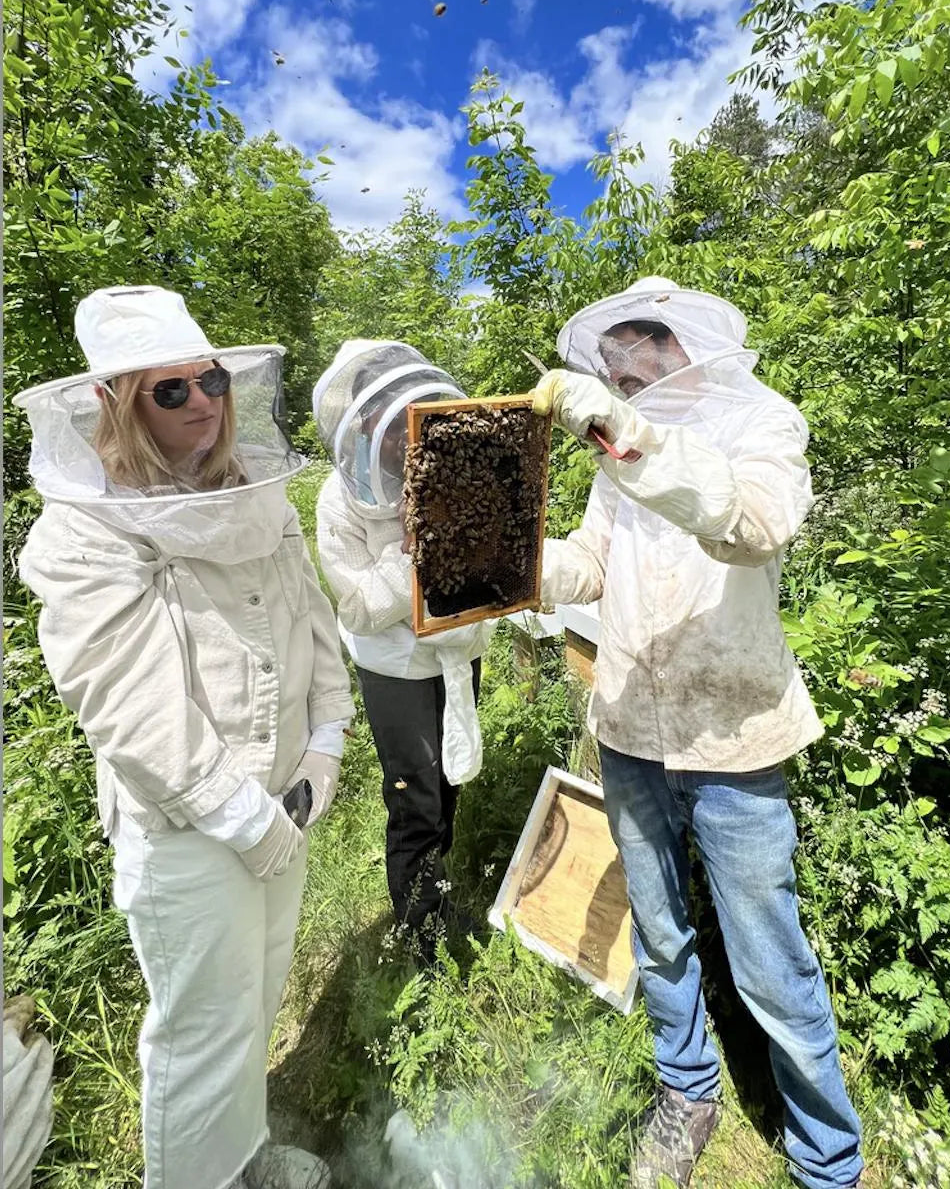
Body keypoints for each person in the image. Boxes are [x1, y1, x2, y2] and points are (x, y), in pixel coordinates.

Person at [16, 285, 354, 1189]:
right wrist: (245, 820)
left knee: (262, 991)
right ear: (115, 401)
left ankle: (240, 1159)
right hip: (189, 833)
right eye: (170, 392)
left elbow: (313, 624)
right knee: (204, 1029)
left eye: (207, 380)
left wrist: (327, 739)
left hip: (289, 795)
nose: (202, 403)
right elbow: (129, 703)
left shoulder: (252, 491)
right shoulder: (79, 533)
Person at [531, 277, 863, 1189]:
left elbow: (754, 526)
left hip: (734, 732)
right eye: (610, 367)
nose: (619, 375)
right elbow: (594, 563)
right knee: (660, 931)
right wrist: (513, 566)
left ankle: (828, 1159)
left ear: (675, 345)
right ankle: (688, 1091)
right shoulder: (617, 447)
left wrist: (629, 437)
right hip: (632, 719)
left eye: (631, 358)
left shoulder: (762, 423)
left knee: (768, 954)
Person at [312, 340, 490, 963]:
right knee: (414, 795)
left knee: (448, 783)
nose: (409, 433)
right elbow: (358, 605)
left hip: (460, 647)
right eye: (394, 420)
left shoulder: (447, 464)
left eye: (419, 410)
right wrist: (411, 547)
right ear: (364, 422)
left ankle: (438, 894)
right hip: (396, 670)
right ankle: (423, 935)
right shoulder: (339, 500)